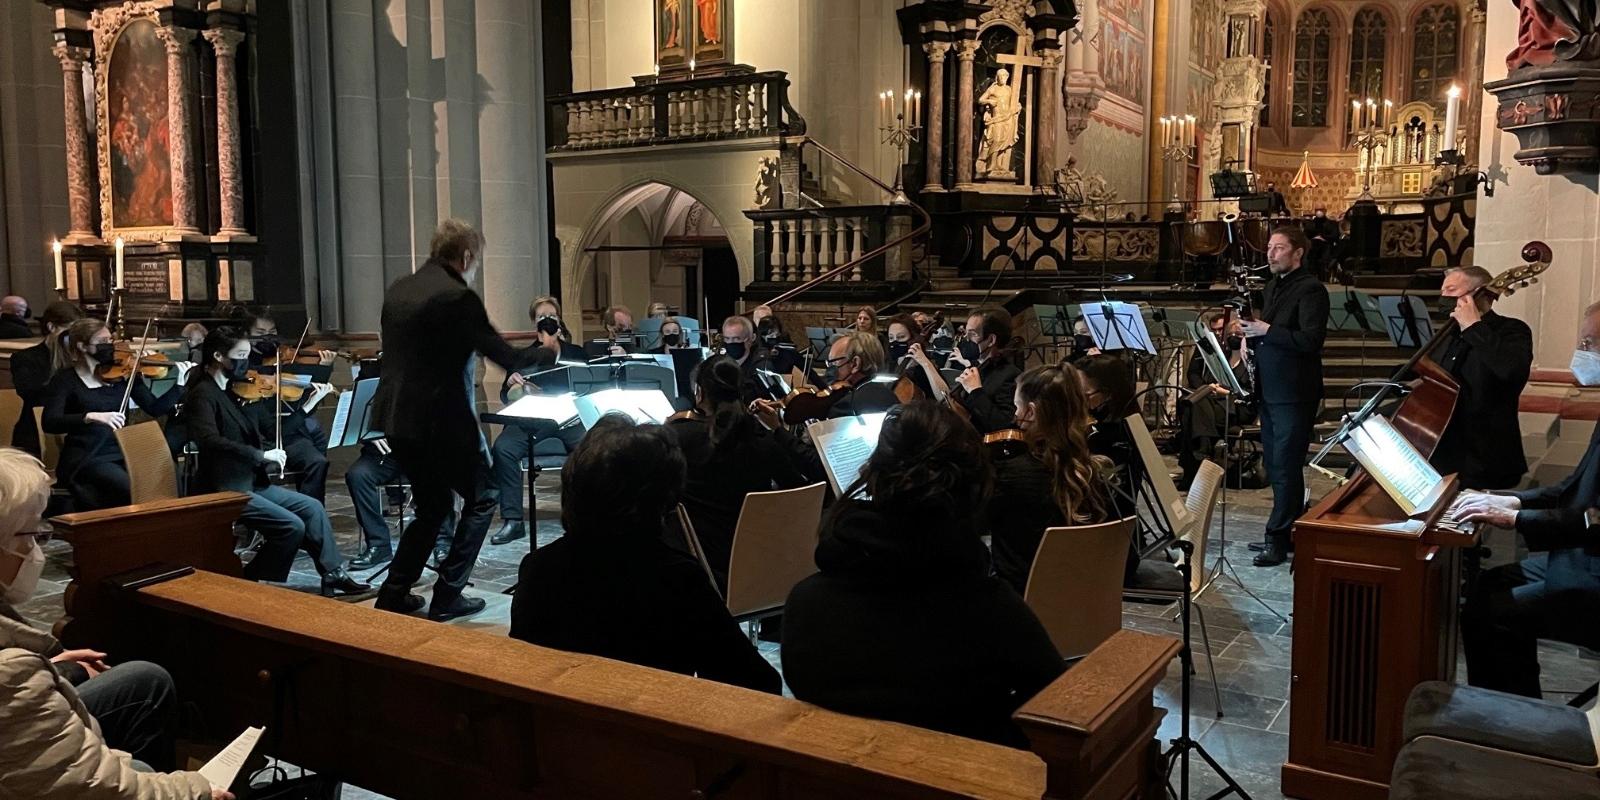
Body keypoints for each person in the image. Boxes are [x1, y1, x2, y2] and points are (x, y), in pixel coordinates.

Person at [782, 400, 1065, 747]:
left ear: (871, 477)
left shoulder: (805, 603)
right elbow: (1055, 704)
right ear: (969, 495)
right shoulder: (989, 611)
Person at [0, 449, 234, 800]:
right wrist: (195, 791)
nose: (37, 550)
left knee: (144, 680)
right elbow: (90, 786)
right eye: (32, 535)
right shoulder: (12, 676)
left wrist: (51, 668)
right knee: (141, 773)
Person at [510, 415, 782, 694]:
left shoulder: (538, 568)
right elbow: (758, 683)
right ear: (663, 501)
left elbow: (524, 673)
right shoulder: (676, 578)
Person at [371, 219, 548, 621]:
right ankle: (448, 594)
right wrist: (548, 351)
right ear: (466, 256)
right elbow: (509, 358)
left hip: (398, 419)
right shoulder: (456, 297)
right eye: (477, 261)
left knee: (432, 507)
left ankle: (394, 592)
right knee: (483, 497)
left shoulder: (400, 288)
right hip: (441, 422)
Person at [1455, 301, 1600, 698]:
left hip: (1593, 573)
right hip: (1582, 558)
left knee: (1490, 615)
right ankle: (1517, 709)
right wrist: (1509, 502)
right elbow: (1573, 488)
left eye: (1588, 343)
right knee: (1486, 588)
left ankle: (1514, 722)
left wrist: (1516, 521)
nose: (1581, 352)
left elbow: (1595, 521)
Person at [184, 327, 367, 595]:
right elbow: (210, 442)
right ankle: (250, 579)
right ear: (219, 356)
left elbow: (272, 432)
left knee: (312, 508)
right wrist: (260, 455)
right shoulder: (203, 394)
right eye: (241, 356)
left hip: (251, 482)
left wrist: (307, 405)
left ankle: (333, 574)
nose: (247, 363)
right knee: (291, 526)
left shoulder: (237, 393)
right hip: (225, 487)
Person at [668, 355, 823, 588]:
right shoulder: (763, 441)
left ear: (700, 392)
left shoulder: (680, 437)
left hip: (700, 569)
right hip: (761, 566)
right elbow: (797, 491)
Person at [988, 363, 1119, 595]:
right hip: (1079, 605)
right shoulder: (1092, 471)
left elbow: (975, 523)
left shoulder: (1013, 475)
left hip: (1021, 610)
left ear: (1031, 411)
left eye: (1016, 407)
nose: (1014, 415)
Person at [1241, 226, 1329, 566]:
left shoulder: (1312, 290)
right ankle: (1288, 530)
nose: (1271, 253)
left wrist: (1267, 330)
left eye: (1279, 248)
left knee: (1286, 466)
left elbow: (1310, 341)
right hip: (1271, 389)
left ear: (1298, 253)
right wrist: (1252, 337)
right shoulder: (1273, 286)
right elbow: (1275, 335)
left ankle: (1277, 538)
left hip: (1294, 392)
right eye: (1269, 247)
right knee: (1277, 465)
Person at [41, 319, 179, 510]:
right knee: (129, 488)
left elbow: (155, 408)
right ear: (83, 346)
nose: (111, 346)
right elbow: (50, 422)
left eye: (111, 340)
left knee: (160, 481)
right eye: (103, 341)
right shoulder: (65, 380)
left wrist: (180, 385)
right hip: (88, 456)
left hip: (123, 451)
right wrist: (90, 416)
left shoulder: (123, 374)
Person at [342, 356, 458, 570]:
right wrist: (370, 434)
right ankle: (379, 545)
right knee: (357, 475)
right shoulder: (371, 371)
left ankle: (443, 543)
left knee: (441, 471)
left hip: (423, 451)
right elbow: (358, 414)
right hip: (384, 454)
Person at [1428, 266, 1533, 490]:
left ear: (1480, 292)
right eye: (1442, 291)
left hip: (1485, 457)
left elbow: (1511, 373)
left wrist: (1474, 327)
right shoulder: (1447, 334)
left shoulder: (1512, 330)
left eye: (1451, 290)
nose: (1443, 296)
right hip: (1442, 454)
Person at [489, 313, 587, 546]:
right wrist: (512, 382)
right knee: (504, 448)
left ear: (559, 331)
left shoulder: (576, 353)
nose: (544, 336)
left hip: (568, 415)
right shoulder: (525, 355)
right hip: (531, 416)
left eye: (550, 329)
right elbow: (505, 396)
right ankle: (513, 520)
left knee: (591, 447)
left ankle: (584, 515)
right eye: (541, 331)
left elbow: (589, 384)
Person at [238, 311, 330, 502]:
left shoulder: (286, 364)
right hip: (256, 437)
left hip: (289, 432)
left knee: (317, 462)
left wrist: (323, 370)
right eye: (260, 332)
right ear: (247, 334)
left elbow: (307, 402)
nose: (267, 337)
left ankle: (312, 514)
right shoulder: (242, 363)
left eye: (272, 332)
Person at [1178, 313, 1256, 488]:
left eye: (1239, 335)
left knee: (1193, 406)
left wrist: (1226, 392)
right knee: (1193, 403)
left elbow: (1252, 394)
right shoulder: (1222, 359)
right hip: (1216, 405)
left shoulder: (1252, 361)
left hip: (1237, 407)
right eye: (1230, 335)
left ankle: (1196, 464)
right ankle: (1202, 453)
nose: (1234, 338)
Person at [915, 308, 1021, 433]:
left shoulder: (1010, 375)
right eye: (966, 333)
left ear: (991, 340)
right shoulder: (975, 367)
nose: (966, 338)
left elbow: (1005, 426)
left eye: (973, 334)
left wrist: (976, 391)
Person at [11, 301, 83, 456]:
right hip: (36, 430)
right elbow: (29, 393)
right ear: (52, 327)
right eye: (69, 331)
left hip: (73, 428)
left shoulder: (79, 355)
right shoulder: (25, 358)